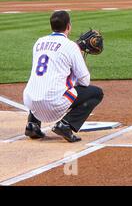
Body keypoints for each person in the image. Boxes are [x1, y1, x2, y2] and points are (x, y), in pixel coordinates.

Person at [23, 11, 103, 143]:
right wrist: (78, 52)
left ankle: (32, 125)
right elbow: (85, 81)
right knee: (96, 93)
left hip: (30, 100)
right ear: (69, 26)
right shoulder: (71, 46)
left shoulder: (39, 42)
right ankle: (66, 125)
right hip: (53, 103)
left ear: (51, 26)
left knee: (43, 82)